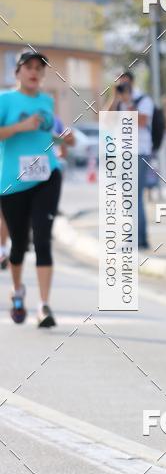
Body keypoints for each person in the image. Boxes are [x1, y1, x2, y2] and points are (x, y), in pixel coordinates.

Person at [0, 50, 74, 326]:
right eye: (28, 67)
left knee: (43, 239)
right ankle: (17, 290)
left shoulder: (46, 100)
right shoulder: (5, 100)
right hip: (12, 183)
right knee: (19, 244)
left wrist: (65, 138)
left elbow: (50, 131)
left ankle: (44, 306)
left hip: (46, 176)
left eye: (39, 69)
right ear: (17, 72)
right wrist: (20, 126)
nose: (34, 72)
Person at [106, 71, 153, 249]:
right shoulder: (118, 103)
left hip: (139, 152)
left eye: (125, 84)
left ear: (132, 83)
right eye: (119, 84)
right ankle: (136, 238)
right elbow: (107, 121)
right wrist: (115, 98)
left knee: (134, 196)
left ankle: (138, 239)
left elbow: (141, 121)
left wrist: (127, 102)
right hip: (123, 153)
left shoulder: (143, 100)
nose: (123, 87)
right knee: (128, 197)